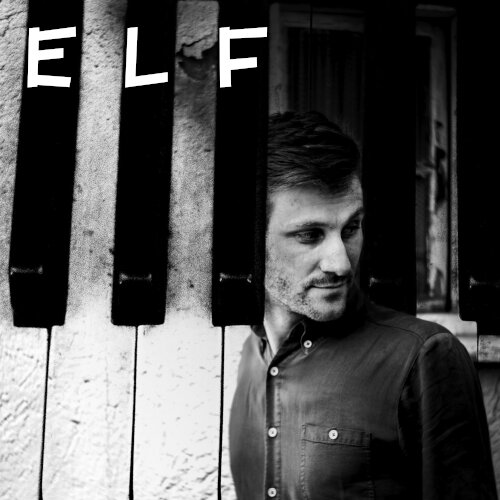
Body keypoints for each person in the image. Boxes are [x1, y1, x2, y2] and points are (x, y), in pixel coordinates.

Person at [229, 111, 497, 499]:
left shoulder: (423, 358)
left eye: (351, 228)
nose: (341, 263)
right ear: (251, 240)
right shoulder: (250, 357)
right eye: (310, 235)